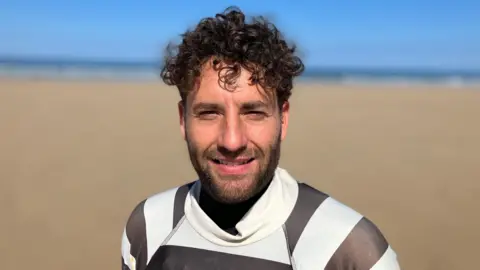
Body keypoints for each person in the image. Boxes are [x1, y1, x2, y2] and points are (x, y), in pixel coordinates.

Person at [121, 6, 401, 270]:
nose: (232, 141)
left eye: (253, 112)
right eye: (209, 112)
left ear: (283, 119)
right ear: (183, 120)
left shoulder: (349, 249)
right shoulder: (147, 226)